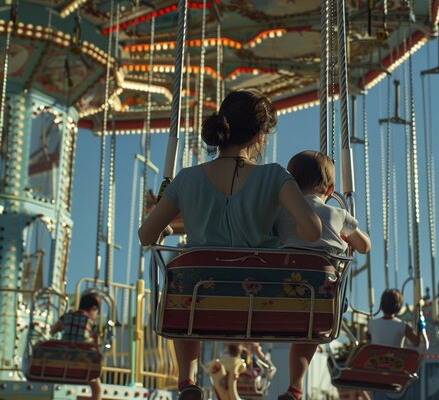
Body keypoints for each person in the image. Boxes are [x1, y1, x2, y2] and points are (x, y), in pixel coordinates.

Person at [138, 90, 322, 400]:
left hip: (201, 298)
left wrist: (167, 227)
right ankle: (295, 386)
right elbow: (313, 231)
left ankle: (187, 380)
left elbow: (146, 236)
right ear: (261, 136)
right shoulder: (275, 177)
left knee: (180, 281)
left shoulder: (186, 178)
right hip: (261, 300)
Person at [274, 150, 371, 400]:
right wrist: (344, 234)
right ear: (330, 189)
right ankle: (295, 387)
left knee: (302, 329)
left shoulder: (281, 212)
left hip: (280, 296)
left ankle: (295, 387)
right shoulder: (338, 214)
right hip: (323, 303)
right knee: (310, 335)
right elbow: (364, 247)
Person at [49, 293, 102, 400]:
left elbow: (52, 330)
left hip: (63, 362)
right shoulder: (91, 322)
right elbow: (95, 346)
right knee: (97, 389)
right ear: (94, 308)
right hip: (82, 366)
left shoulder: (66, 317)